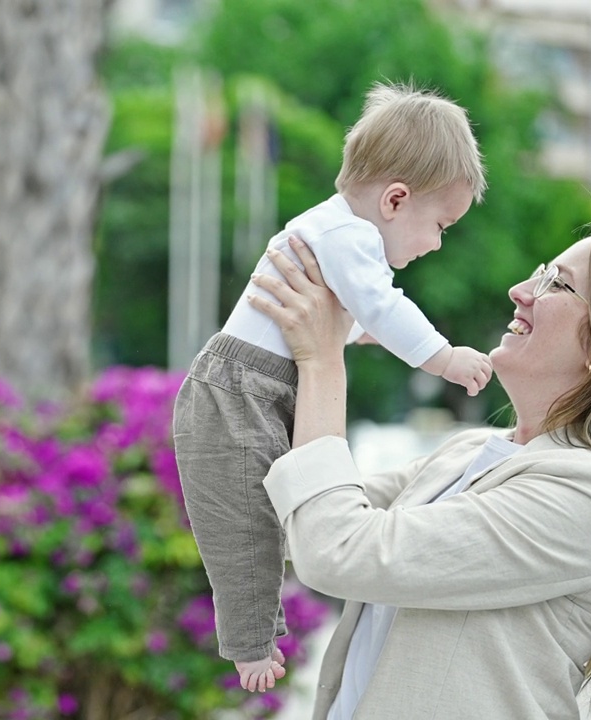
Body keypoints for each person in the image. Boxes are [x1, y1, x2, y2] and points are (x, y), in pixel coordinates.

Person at [248, 224, 591, 719]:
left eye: (556, 283)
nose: (520, 291)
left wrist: (322, 360)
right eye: (540, 274)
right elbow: (298, 509)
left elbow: (338, 549)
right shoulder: (471, 450)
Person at [172, 82, 493, 692]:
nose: (436, 243)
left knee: (269, 514)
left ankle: (254, 630)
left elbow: (335, 318)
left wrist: (354, 335)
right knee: (241, 523)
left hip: (258, 385)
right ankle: (248, 644)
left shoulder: (337, 232)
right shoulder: (353, 236)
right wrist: (445, 358)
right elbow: (381, 305)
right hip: (238, 393)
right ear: (396, 200)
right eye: (440, 225)